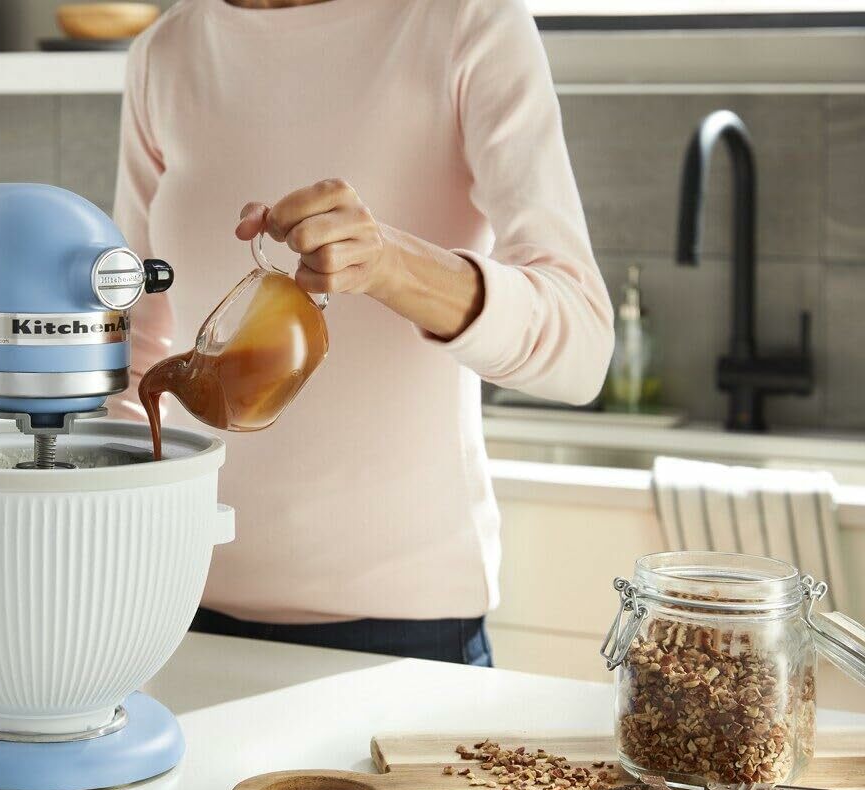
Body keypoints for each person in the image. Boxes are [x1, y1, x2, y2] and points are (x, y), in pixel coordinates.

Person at [112, 0, 614, 665]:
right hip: (179, 613)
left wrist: (390, 265)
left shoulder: (466, 22)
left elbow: (581, 348)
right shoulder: (166, 52)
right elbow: (135, 339)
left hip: (406, 634)